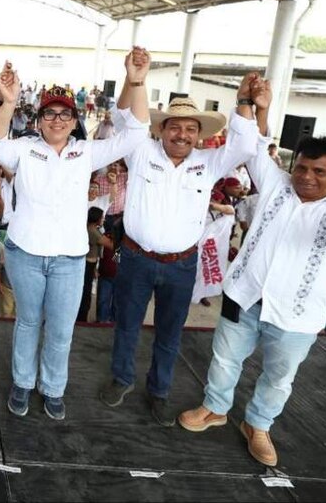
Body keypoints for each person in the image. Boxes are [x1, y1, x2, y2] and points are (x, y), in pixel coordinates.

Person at [178, 125, 326, 467]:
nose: (307, 177)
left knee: (279, 376)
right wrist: (254, 105)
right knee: (224, 358)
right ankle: (215, 408)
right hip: (243, 295)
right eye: (302, 168)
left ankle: (258, 424)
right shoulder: (276, 185)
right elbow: (251, 140)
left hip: (296, 313)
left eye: (319, 171)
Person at [0, 50, 151, 420]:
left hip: (70, 260)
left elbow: (137, 133)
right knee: (28, 323)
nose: (57, 120)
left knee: (61, 330)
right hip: (25, 255)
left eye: (65, 114)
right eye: (50, 113)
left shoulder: (86, 152)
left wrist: (137, 81)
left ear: (75, 120)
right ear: (39, 120)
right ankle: (23, 382)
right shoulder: (24, 149)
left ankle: (53, 388)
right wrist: (8, 102)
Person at [100, 72, 262, 427]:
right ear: (162, 129)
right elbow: (123, 118)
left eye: (191, 129)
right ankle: (122, 378)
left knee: (170, 332)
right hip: (136, 259)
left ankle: (158, 391)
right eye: (175, 127)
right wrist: (134, 80)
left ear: (199, 134)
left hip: (181, 265)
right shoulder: (140, 150)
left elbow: (246, 146)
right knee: (127, 324)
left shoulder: (210, 162)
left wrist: (244, 102)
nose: (182, 134)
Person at [80, 207, 113, 322]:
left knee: (87, 293)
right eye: (102, 217)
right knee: (85, 294)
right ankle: (81, 320)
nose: (104, 219)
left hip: (91, 264)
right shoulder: (93, 231)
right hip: (88, 265)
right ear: (96, 218)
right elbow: (110, 245)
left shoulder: (94, 229)